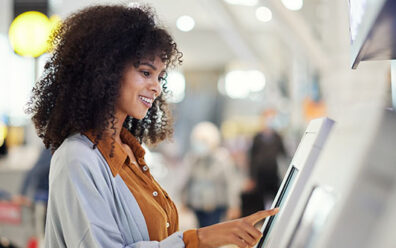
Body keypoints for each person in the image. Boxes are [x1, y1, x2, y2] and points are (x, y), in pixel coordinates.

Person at [27, 4, 278, 248]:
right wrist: (199, 239)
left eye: (160, 77)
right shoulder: (77, 158)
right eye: (146, 73)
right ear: (106, 71)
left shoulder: (129, 151)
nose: (157, 87)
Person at [183, 122, 241, 228]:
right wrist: (183, 200)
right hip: (197, 205)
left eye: (203, 141)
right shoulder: (192, 158)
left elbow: (231, 183)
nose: (200, 144)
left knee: (213, 233)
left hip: (216, 205)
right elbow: (185, 181)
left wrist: (234, 205)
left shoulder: (223, 158)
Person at [242, 109, 287, 216]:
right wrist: (251, 177)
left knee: (277, 198)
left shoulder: (278, 137)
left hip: (274, 174)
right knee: (260, 201)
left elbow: (284, 156)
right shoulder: (257, 138)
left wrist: (286, 172)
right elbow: (251, 158)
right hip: (260, 175)